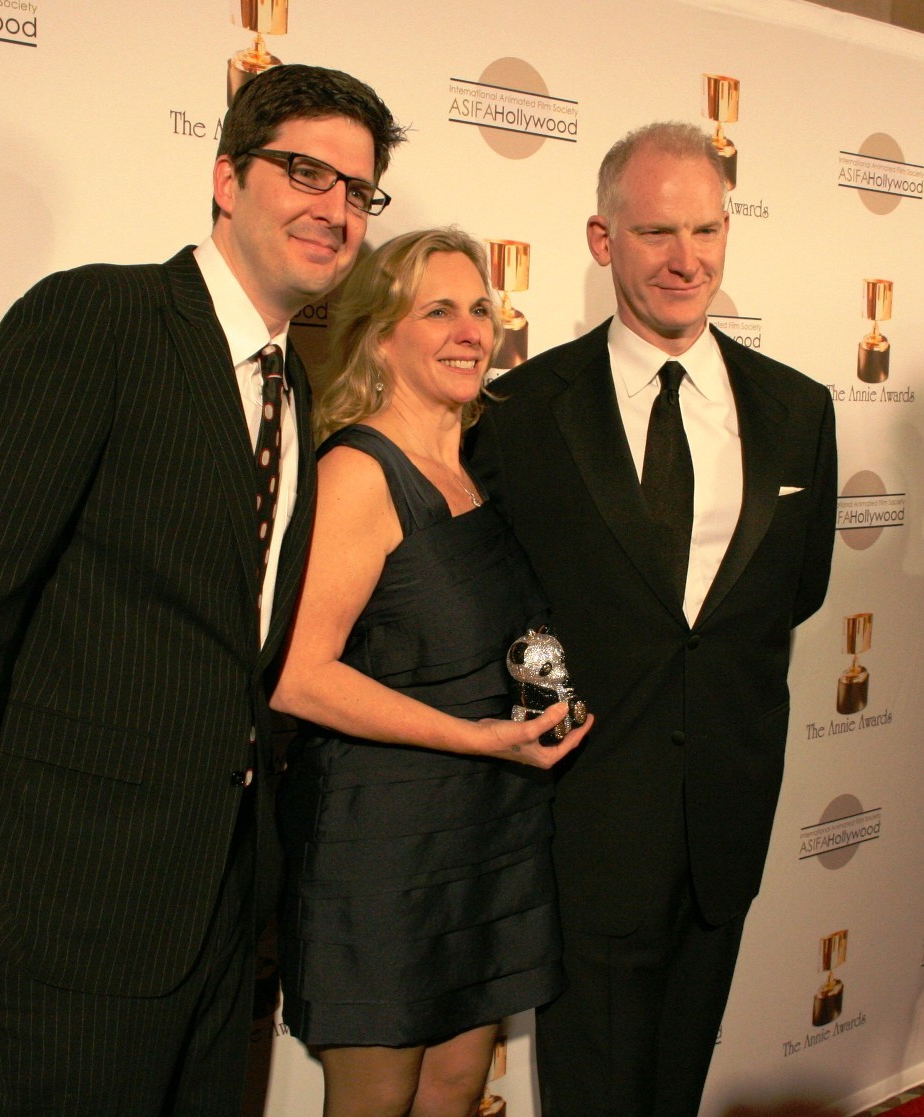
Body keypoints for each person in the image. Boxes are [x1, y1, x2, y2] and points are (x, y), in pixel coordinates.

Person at [0, 64, 405, 1117]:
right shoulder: (98, 319)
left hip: (216, 908)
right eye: (304, 170)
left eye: (356, 190)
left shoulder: (288, 381)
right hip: (71, 907)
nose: (332, 207)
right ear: (224, 178)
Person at [468, 121, 838, 1116]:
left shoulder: (797, 409)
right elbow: (498, 607)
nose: (686, 260)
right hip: (580, 821)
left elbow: (788, 595)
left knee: (673, 1087)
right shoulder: (521, 408)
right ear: (601, 240)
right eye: (654, 234)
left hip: (724, 819)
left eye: (705, 231)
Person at [270, 227, 592, 1117]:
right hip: (384, 846)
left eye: (480, 309)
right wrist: (473, 735)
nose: (469, 330)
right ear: (380, 336)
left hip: (488, 831)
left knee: (453, 1089)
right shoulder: (357, 472)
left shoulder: (471, 467)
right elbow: (297, 674)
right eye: (438, 310)